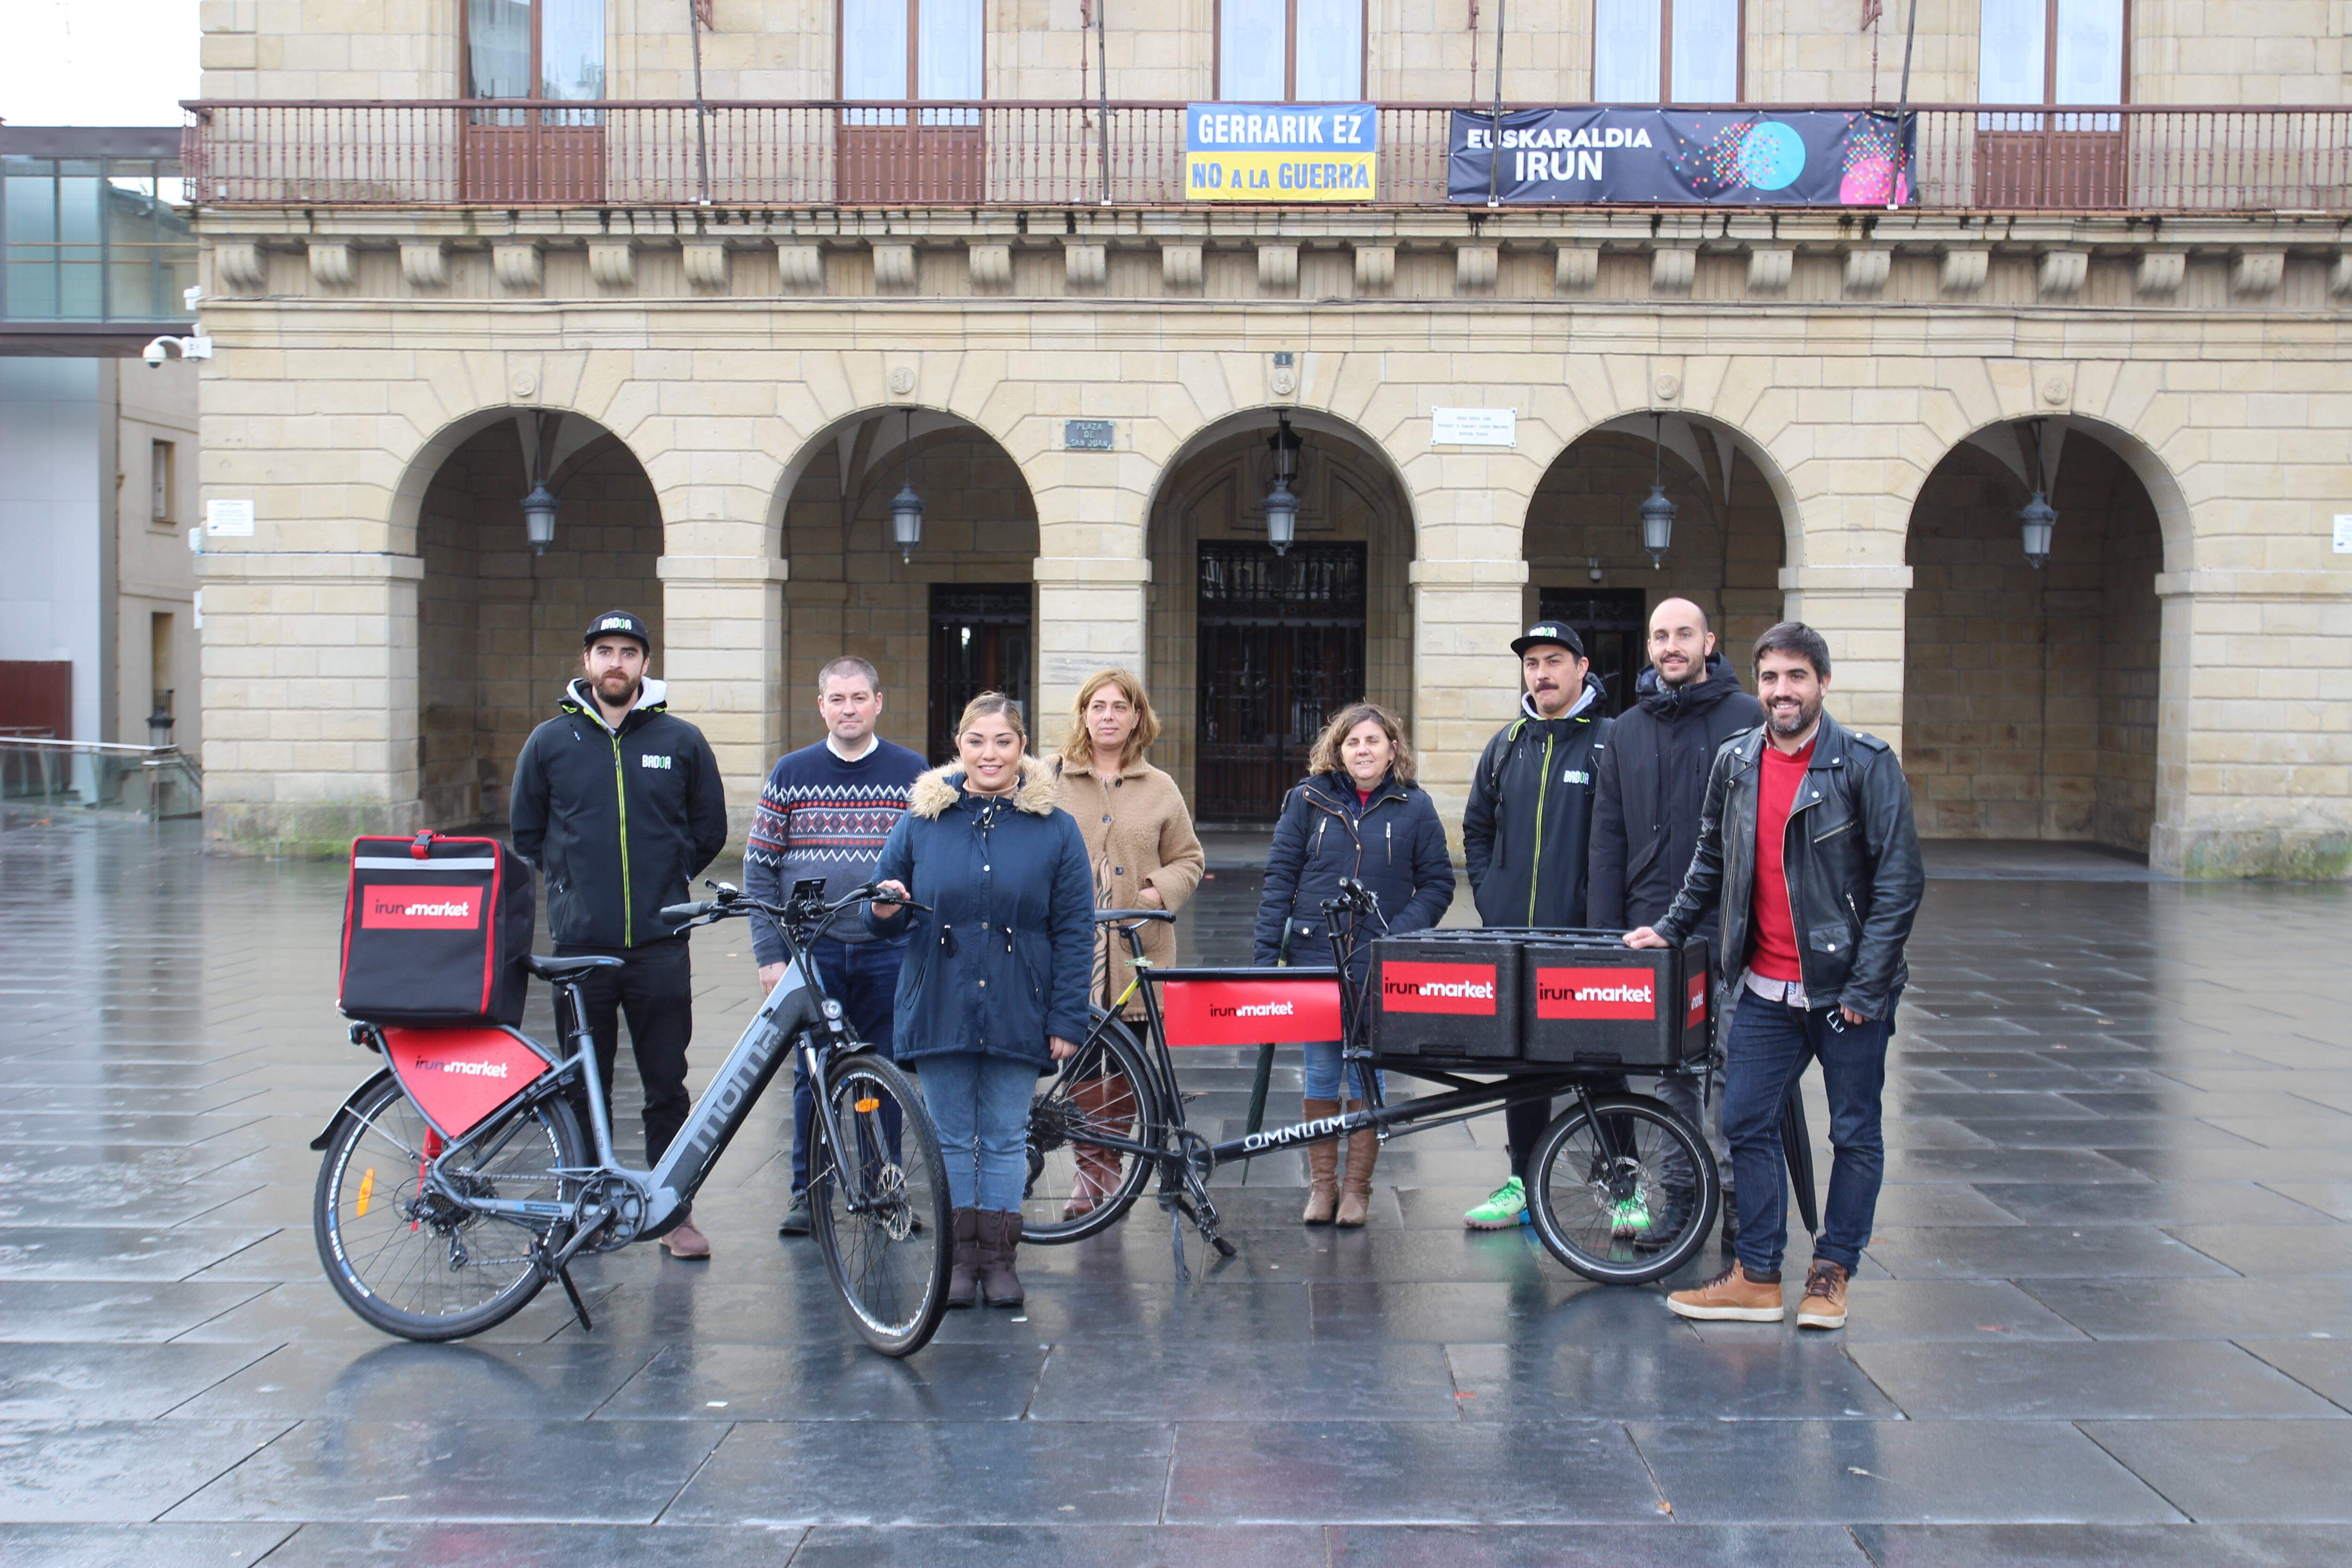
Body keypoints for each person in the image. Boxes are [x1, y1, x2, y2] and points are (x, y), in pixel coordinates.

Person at [1627, 621, 1924, 1332]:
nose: (1781, 691)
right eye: (1770, 678)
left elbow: (1899, 884)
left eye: (1796, 677)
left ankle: (1831, 1271)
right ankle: (1758, 1275)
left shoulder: (1865, 763)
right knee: (1744, 1121)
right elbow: (1710, 859)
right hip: (1761, 985)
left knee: (1853, 1134)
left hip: (1845, 995)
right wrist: (1667, 927)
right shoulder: (1737, 761)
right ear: (1756, 683)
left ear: (1822, 683)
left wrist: (1865, 988)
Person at [510, 610, 728, 1259]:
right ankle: (584, 1206)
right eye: (604, 651)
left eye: (628, 652)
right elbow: (528, 833)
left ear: (644, 664)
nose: (616, 663)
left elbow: (708, 828)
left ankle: (671, 1212)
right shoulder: (550, 743)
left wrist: (668, 879)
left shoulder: (681, 740)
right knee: (583, 1085)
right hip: (582, 949)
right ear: (587, 662)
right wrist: (571, 885)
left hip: (660, 946)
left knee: (667, 1083)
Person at [869, 693, 1092, 1311]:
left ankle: (998, 1261)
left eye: (1003, 741)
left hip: (1021, 1003)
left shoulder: (1057, 828)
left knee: (1000, 1136)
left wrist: (1067, 1017)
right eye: (976, 741)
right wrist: (882, 905)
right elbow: (881, 910)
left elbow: (1076, 929)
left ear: (1023, 748)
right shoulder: (920, 818)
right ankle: (959, 1263)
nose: (989, 754)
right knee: (948, 1137)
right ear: (959, 745)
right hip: (939, 998)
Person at [1588, 598, 1765, 1251]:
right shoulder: (1627, 728)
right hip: (1649, 932)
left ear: (1709, 641)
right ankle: (1682, 1202)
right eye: (1660, 635)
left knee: (1732, 1075)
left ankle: (1742, 1209)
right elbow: (1606, 837)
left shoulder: (1747, 718)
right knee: (1672, 1077)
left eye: (1683, 634)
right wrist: (1605, 933)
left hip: (1730, 933)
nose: (1670, 645)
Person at [745, 656, 927, 1238]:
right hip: (810, 952)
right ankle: (809, 1192)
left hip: (885, 950)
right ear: (820, 706)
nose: (848, 709)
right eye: (837, 699)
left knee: (883, 1071)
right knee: (812, 1074)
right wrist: (770, 955)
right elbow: (759, 867)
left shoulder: (911, 772)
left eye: (858, 698)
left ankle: (883, 1187)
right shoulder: (791, 772)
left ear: (878, 703)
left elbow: (928, 861)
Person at [1254, 701, 1454, 1229]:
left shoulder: (1415, 807)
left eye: (1373, 740)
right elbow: (1279, 879)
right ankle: (1322, 1188)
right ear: (1337, 750)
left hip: (1379, 964)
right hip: (1315, 954)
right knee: (1321, 1073)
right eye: (1352, 742)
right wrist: (1262, 959)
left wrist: (1394, 933)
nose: (1363, 750)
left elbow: (1437, 884)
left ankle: (1356, 1191)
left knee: (1369, 1077)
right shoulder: (1307, 800)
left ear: (1393, 749)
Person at [1457, 622, 1613, 1232]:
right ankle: (1522, 1180)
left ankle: (1620, 1181)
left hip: (1586, 942)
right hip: (1516, 939)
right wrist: (1495, 896)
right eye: (1532, 664)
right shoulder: (1506, 745)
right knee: (1523, 1067)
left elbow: (1623, 839)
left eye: (1554, 661)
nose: (1541, 673)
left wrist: (1596, 910)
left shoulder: (1609, 742)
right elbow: (1477, 828)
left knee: (1601, 1064)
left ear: (1581, 667)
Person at [1051, 669, 1205, 1218]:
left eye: (1120, 706)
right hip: (1069, 955)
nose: (1109, 716)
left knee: (1126, 1069)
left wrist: (1152, 891)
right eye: (1098, 706)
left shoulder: (1159, 787)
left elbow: (1189, 859)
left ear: (1138, 717)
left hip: (1137, 953)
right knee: (1079, 1064)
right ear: (1084, 714)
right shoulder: (1051, 780)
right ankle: (1092, 1173)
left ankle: (1110, 1165)